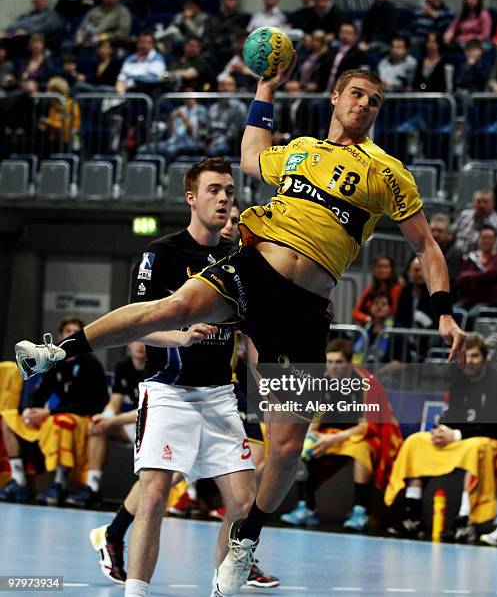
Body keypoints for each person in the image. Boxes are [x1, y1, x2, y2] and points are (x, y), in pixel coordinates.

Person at [15, 66, 465, 597]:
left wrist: (443, 310)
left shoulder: (389, 174)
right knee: (173, 306)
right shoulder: (298, 150)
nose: (366, 105)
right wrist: (266, 89)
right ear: (336, 97)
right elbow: (252, 154)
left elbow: (426, 247)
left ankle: (246, 538)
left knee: (287, 444)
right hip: (253, 269)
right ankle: (57, 350)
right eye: (358, 95)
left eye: (376, 100)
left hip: (305, 309)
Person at [80, 157, 276, 596]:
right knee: (154, 494)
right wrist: (181, 337)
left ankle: (224, 588)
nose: (225, 197)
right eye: (214, 190)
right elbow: (139, 322)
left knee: (244, 503)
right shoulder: (161, 255)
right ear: (191, 198)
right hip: (168, 392)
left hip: (219, 396)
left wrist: (266, 384)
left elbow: (250, 332)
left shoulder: (239, 260)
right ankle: (136, 590)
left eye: (230, 190)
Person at [281, 339, 402, 530]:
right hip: (333, 433)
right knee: (302, 446)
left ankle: (360, 511)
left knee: (361, 451)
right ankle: (307, 507)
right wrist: (307, 437)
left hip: (361, 434)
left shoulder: (366, 383)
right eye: (329, 361)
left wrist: (333, 439)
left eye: (338, 362)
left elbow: (368, 426)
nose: (332, 367)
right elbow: (317, 415)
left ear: (350, 362)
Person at [386, 335, 497, 541]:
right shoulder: (459, 381)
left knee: (475, 448)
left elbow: (493, 426)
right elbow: (451, 415)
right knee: (415, 442)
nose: (470, 362)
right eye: (466, 356)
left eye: (475, 356)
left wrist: (455, 435)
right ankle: (412, 515)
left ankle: (464, 520)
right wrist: (441, 430)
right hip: (459, 439)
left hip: (486, 439)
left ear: (485, 358)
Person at [1, 317, 108, 505]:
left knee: (60, 422)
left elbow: (90, 403)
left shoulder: (91, 364)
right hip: (53, 415)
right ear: (60, 336)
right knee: (8, 418)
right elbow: (40, 394)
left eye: (76, 332)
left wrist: (48, 414)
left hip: (81, 419)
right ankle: (18, 481)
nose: (71, 335)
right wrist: (27, 410)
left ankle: (60, 483)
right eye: (68, 332)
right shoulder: (54, 363)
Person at [66, 341, 146, 508]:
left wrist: (113, 420)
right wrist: (105, 417)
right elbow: (114, 402)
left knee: (105, 424)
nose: (141, 345)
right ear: (129, 343)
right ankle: (93, 487)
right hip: (128, 424)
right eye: (139, 339)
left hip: (151, 427)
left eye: (147, 340)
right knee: (98, 428)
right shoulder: (123, 366)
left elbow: (149, 410)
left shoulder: (158, 366)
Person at [352, 255, 402, 326]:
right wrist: (367, 318)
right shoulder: (370, 289)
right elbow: (355, 313)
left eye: (386, 267)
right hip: (371, 326)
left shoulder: (397, 289)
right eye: (379, 266)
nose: (382, 270)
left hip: (390, 327)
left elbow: (394, 312)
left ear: (392, 270)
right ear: (374, 269)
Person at [451, 189, 497, 255]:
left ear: (493, 204)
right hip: (459, 257)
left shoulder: (496, 222)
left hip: (484, 260)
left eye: (486, 202)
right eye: (478, 202)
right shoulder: (464, 215)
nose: (482, 205)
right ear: (473, 203)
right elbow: (451, 234)